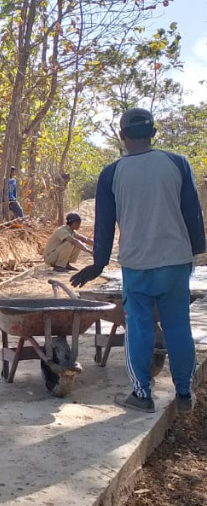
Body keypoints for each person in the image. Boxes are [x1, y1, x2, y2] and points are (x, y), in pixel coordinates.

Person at [72, 108, 205, 414]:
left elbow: (104, 223)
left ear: (122, 136)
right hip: (175, 261)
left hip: (137, 265)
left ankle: (142, 395)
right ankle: (184, 394)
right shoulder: (176, 163)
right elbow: (192, 212)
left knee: (140, 328)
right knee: (177, 327)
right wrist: (197, 250)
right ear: (154, 133)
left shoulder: (112, 174)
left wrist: (99, 263)